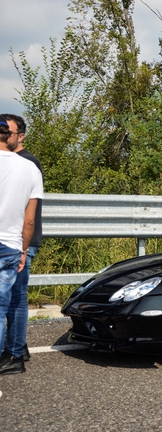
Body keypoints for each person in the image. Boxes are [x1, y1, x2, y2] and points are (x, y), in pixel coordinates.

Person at [0, 114, 43, 375]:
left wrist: (26, 247)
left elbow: (31, 216)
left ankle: (15, 351)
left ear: (20, 136)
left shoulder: (29, 163)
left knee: (15, 299)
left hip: (22, 240)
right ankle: (17, 347)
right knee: (11, 299)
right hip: (15, 242)